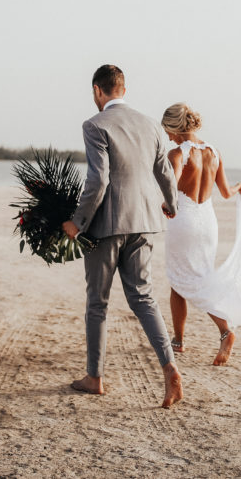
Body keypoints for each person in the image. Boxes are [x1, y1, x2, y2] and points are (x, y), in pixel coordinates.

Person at [62, 65, 184, 409]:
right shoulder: (150, 125)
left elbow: (98, 181)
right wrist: (170, 205)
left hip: (106, 226)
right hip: (145, 221)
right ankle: (169, 366)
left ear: (98, 91)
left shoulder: (95, 125)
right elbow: (164, 173)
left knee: (97, 303)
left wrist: (77, 222)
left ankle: (94, 378)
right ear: (123, 89)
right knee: (144, 297)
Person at [160, 102, 241, 366]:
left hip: (185, 222)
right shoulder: (214, 152)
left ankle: (224, 331)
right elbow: (226, 192)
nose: (167, 137)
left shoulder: (177, 154)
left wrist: (167, 203)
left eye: (168, 131)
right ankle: (178, 340)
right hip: (208, 223)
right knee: (196, 278)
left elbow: (172, 183)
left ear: (175, 128)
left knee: (181, 281)